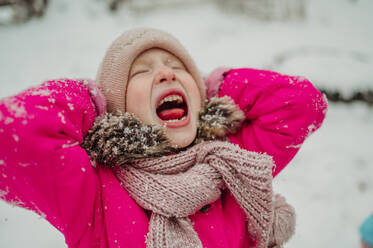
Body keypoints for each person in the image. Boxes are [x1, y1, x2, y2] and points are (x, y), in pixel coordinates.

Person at [0, 28, 328, 248]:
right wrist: (90, 101)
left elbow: (302, 104)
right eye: (142, 71)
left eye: (177, 67)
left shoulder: (233, 165)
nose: (166, 73)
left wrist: (216, 88)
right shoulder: (95, 194)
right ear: (118, 107)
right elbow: (14, 136)